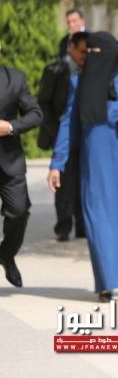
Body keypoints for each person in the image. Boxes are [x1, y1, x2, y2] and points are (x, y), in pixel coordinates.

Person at [47, 32, 118, 302]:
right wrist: (57, 163)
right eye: (88, 52)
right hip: (95, 163)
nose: (90, 57)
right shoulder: (79, 82)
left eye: (95, 51)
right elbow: (68, 124)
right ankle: (106, 282)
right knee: (99, 221)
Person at [38, 31, 89, 242]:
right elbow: (43, 103)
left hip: (85, 137)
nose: (84, 55)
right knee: (64, 182)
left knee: (83, 181)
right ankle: (64, 225)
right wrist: (55, 130)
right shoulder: (55, 71)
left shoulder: (92, 70)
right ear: (71, 48)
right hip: (63, 134)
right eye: (81, 51)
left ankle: (83, 226)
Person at [0, 64, 43, 287]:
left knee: (19, 212)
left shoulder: (15, 78)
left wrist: (10, 127)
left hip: (9, 161)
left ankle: (6, 255)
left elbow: (36, 114)